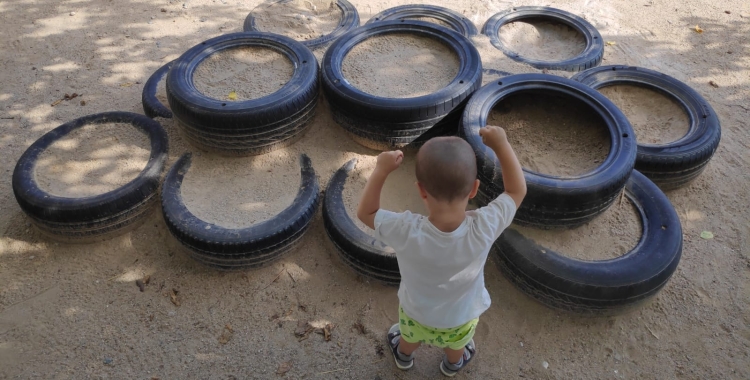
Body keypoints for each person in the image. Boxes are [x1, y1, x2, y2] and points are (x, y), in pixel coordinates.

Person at [356, 125, 526, 376]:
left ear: (421, 190)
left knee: (409, 335)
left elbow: (366, 213)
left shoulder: (406, 230)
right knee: (457, 344)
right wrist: (501, 145)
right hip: (461, 318)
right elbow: (516, 191)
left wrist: (381, 169)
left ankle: (403, 357)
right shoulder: (486, 225)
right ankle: (452, 364)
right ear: (474, 189)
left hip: (416, 313)